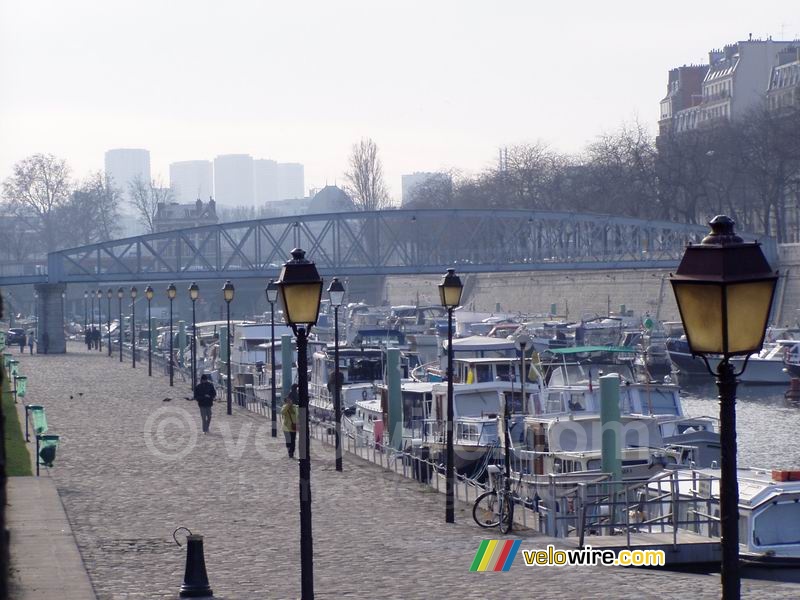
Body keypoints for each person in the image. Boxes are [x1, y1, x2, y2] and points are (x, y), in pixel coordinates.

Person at [280, 394, 298, 458]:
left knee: (293, 441)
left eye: (290, 400)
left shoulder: (295, 407)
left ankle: (291, 452)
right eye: (288, 400)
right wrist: (288, 405)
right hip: (286, 428)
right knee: (288, 441)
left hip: (293, 427)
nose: (290, 401)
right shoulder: (284, 407)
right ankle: (289, 451)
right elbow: (282, 412)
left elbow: (298, 415)